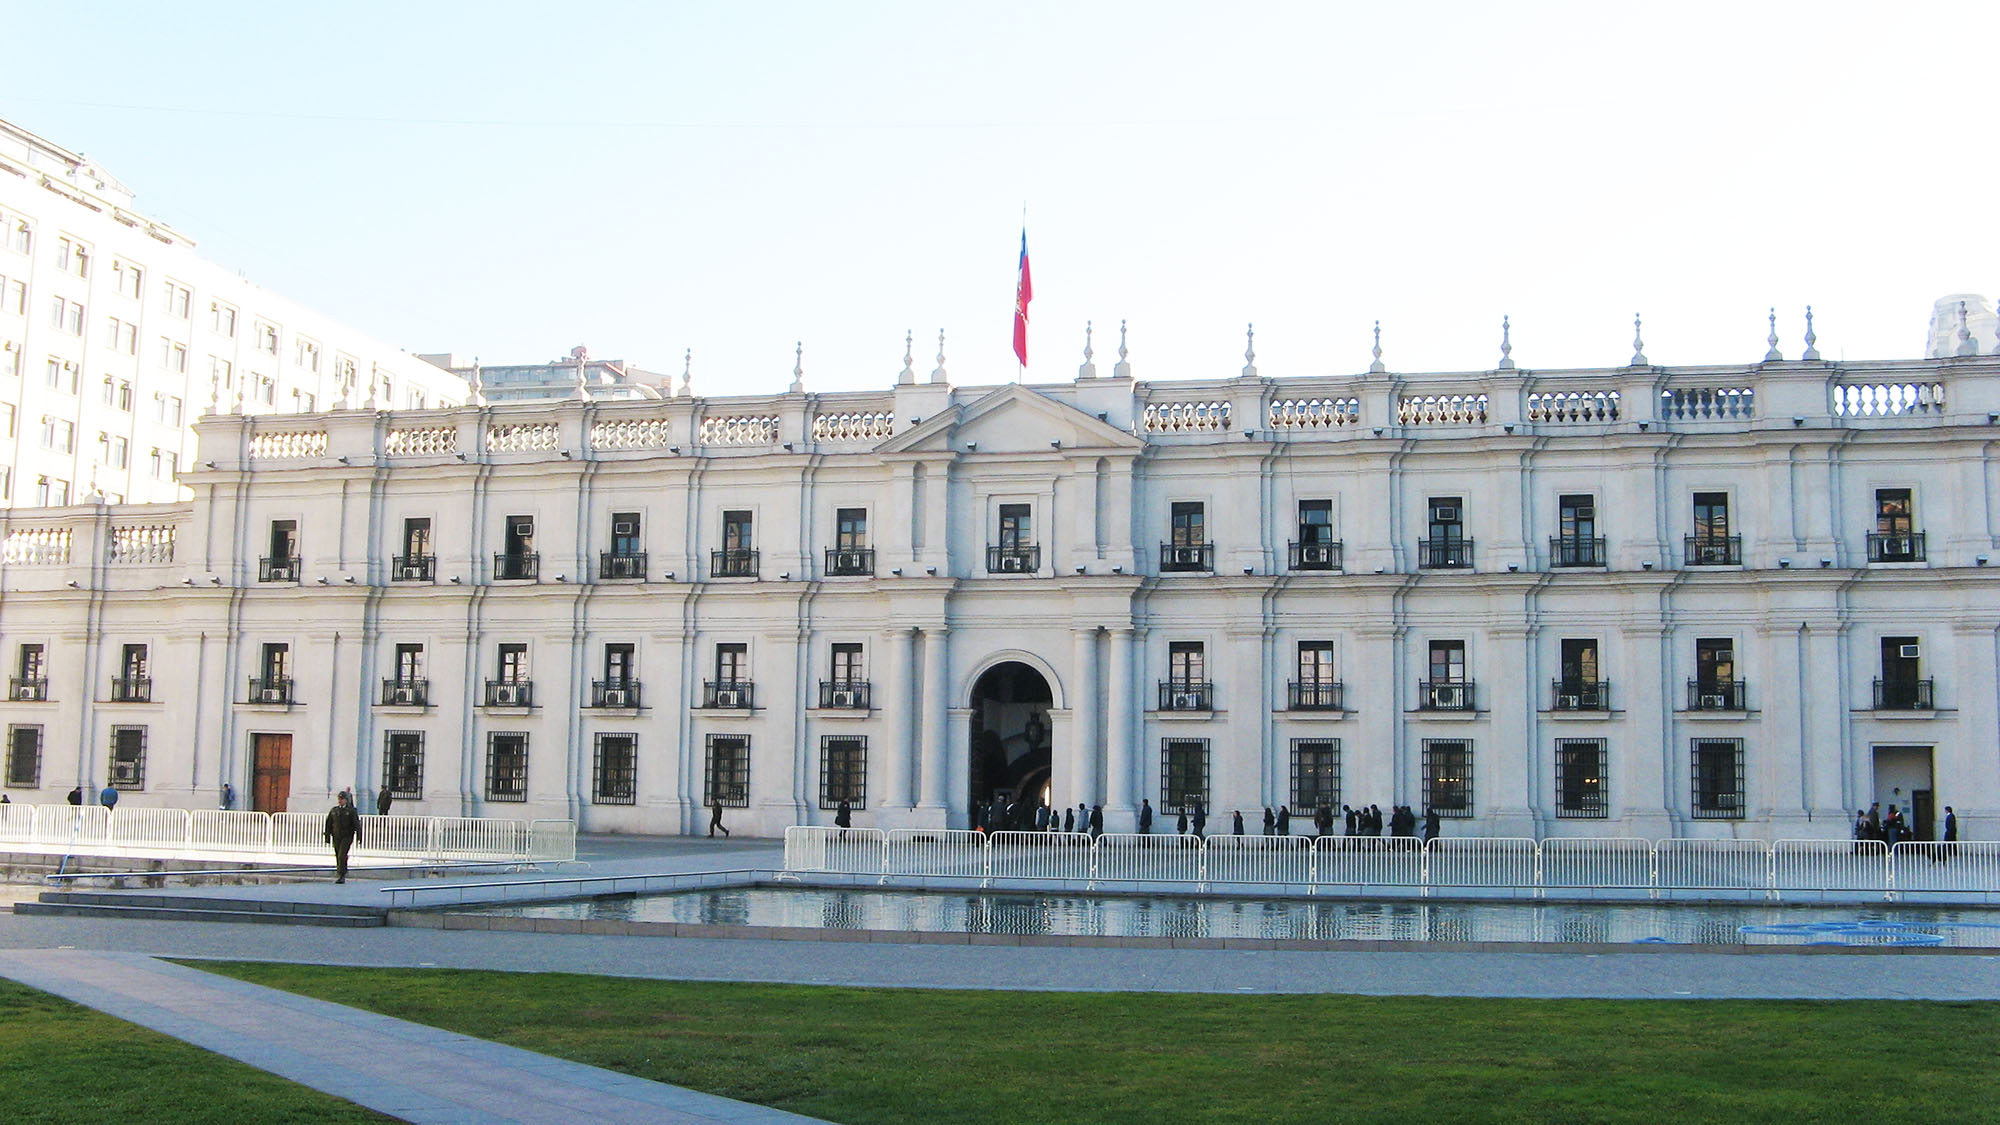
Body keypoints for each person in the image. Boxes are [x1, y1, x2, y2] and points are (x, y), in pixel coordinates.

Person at [322, 790, 362, 884]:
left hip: (347, 836)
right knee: (338, 854)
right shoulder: (334, 810)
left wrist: (359, 837)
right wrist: (327, 836)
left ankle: (341, 874)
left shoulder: (351, 811)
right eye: (339, 799)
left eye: (342, 799)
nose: (340, 801)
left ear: (346, 800)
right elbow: (329, 824)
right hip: (336, 836)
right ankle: (341, 869)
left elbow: (356, 824)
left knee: (341, 855)